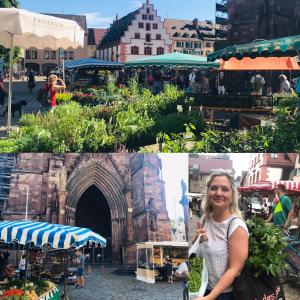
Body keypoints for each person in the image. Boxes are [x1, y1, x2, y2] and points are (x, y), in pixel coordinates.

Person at [194, 170, 249, 300]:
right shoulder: (204, 219)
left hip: (225, 294)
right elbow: (197, 255)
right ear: (208, 192)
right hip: (202, 288)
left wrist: (210, 297)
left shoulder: (236, 226)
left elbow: (235, 269)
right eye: (214, 188)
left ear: (232, 195)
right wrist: (198, 240)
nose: (218, 193)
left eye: (225, 189)